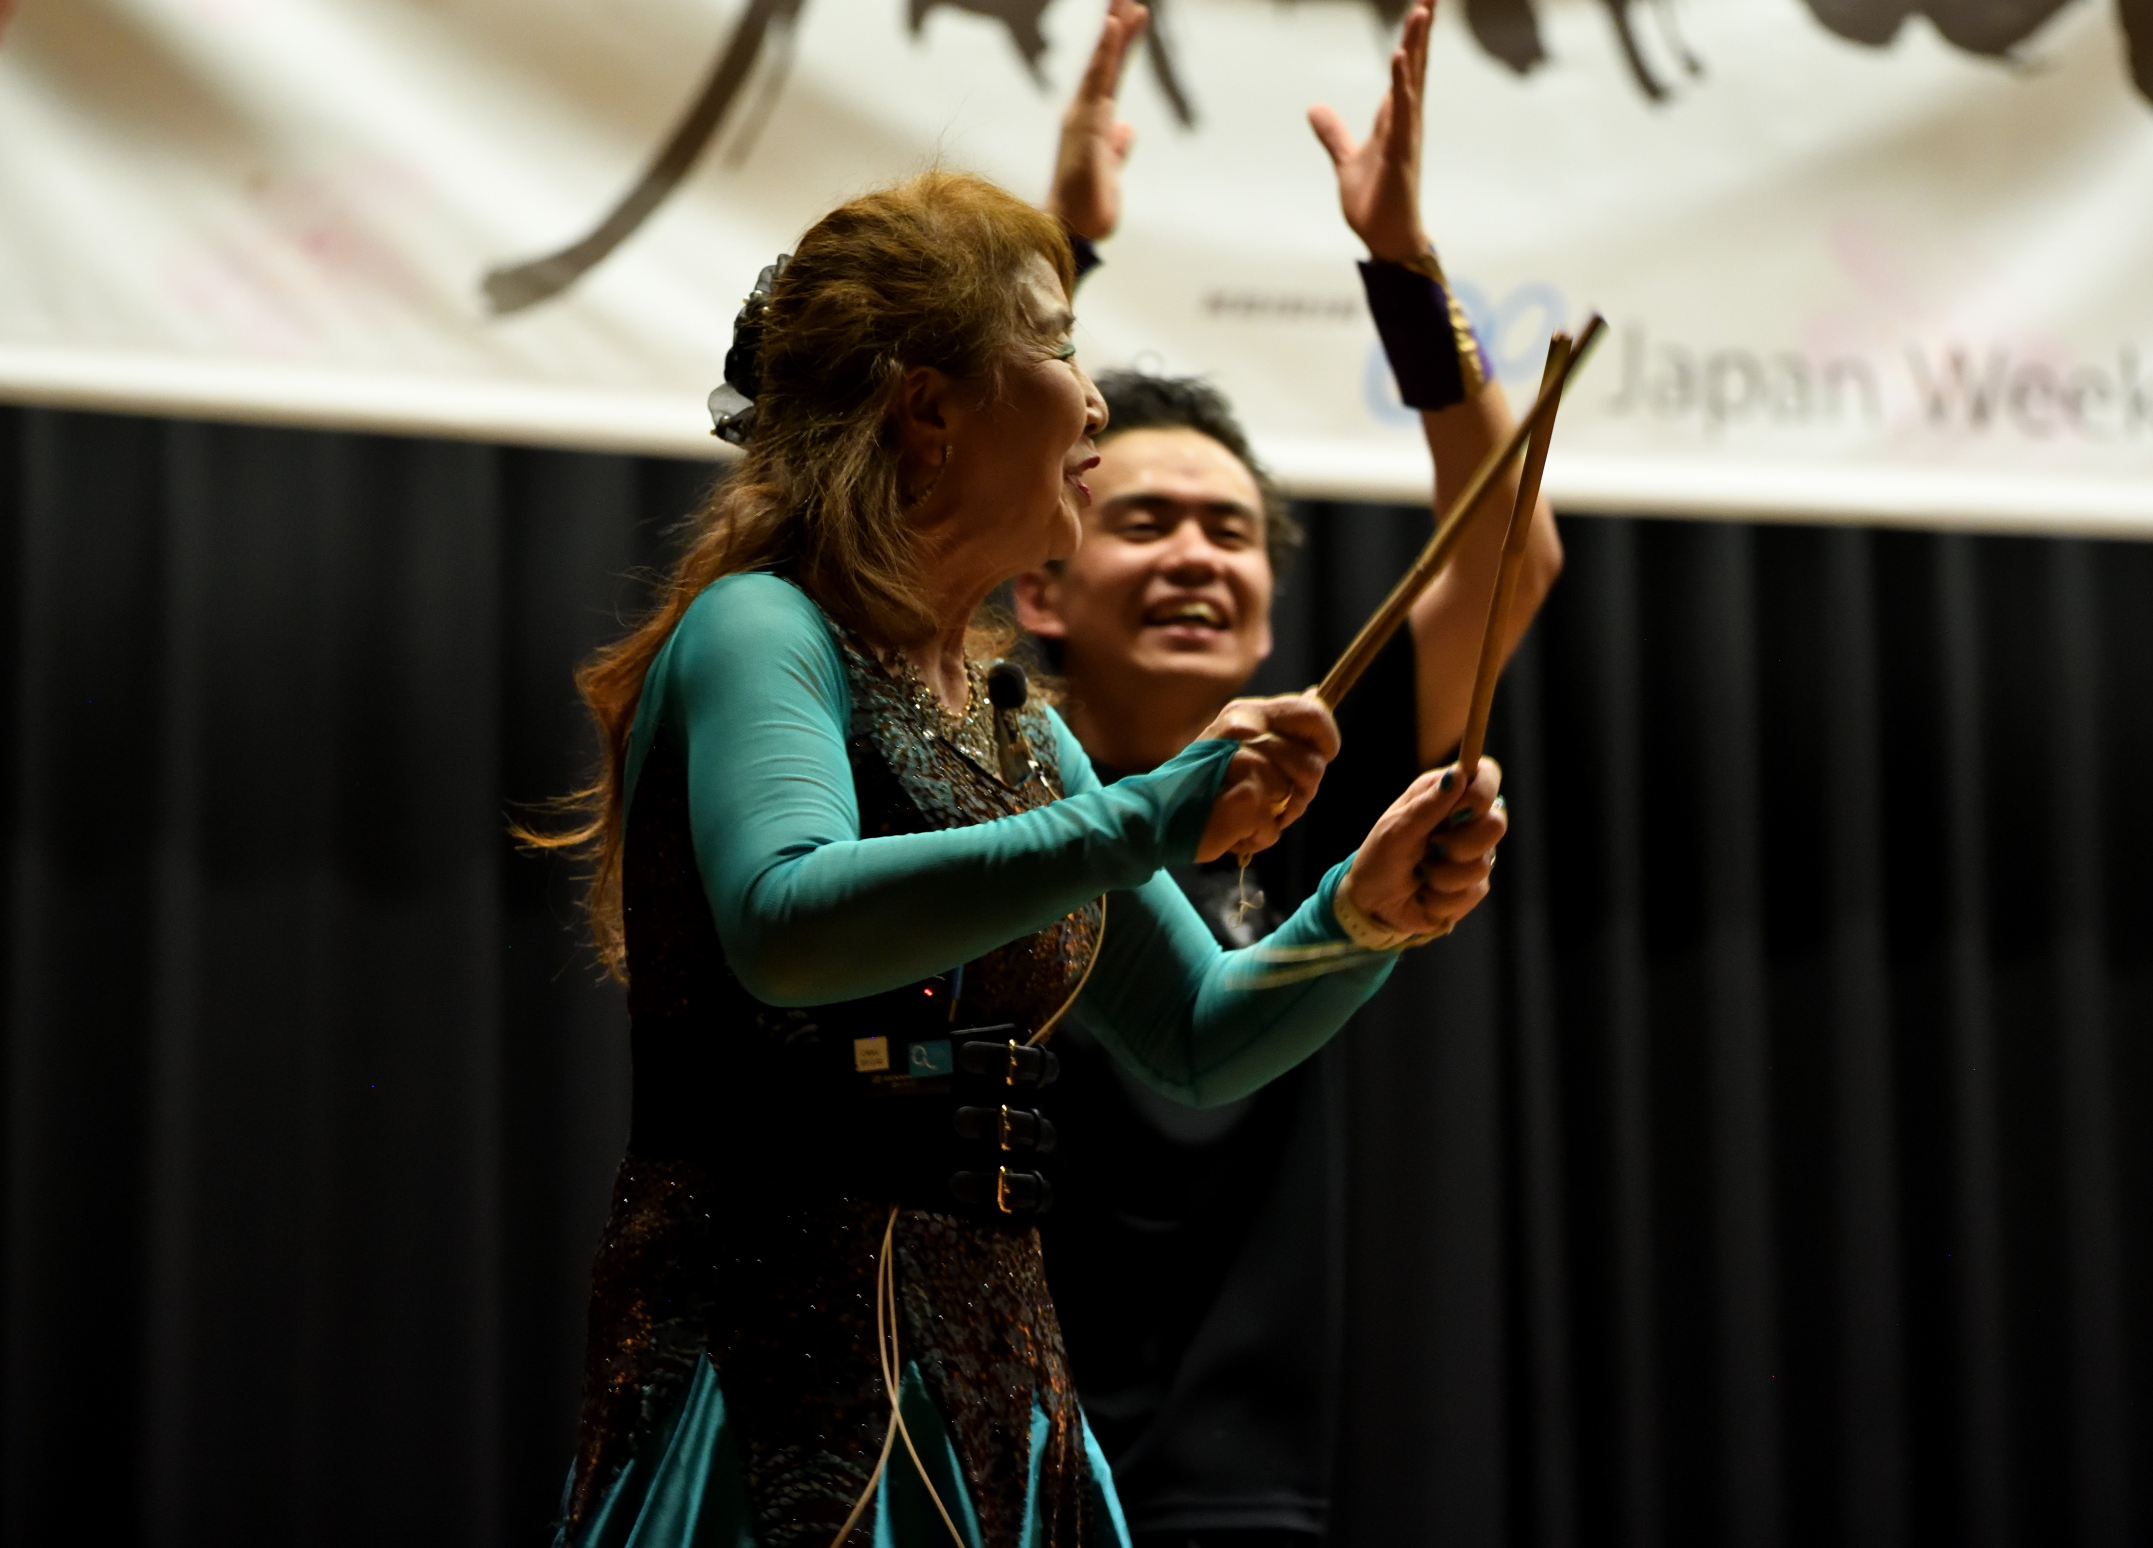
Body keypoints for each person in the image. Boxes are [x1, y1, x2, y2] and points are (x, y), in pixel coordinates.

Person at [534, 169, 1509, 1548]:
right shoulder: (764, 628)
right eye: (1058, 347)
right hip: (772, 1395)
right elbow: (784, 921)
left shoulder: (1020, 729)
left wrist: (1363, 917)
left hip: (998, 1401)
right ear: (929, 408)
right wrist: (1144, 815)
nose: (1095, 402)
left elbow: (1197, 1034)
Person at [1015, 0, 1562, 1548]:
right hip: (978, 1432)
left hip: (1228, 1475)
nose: (1198, 553)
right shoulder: (980, 753)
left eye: (1233, 530)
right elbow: (939, 486)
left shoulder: (1320, 768)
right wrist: (1059, 249)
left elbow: (1509, 555)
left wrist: (1403, 262)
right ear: (1040, 583)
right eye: (1144, 520)